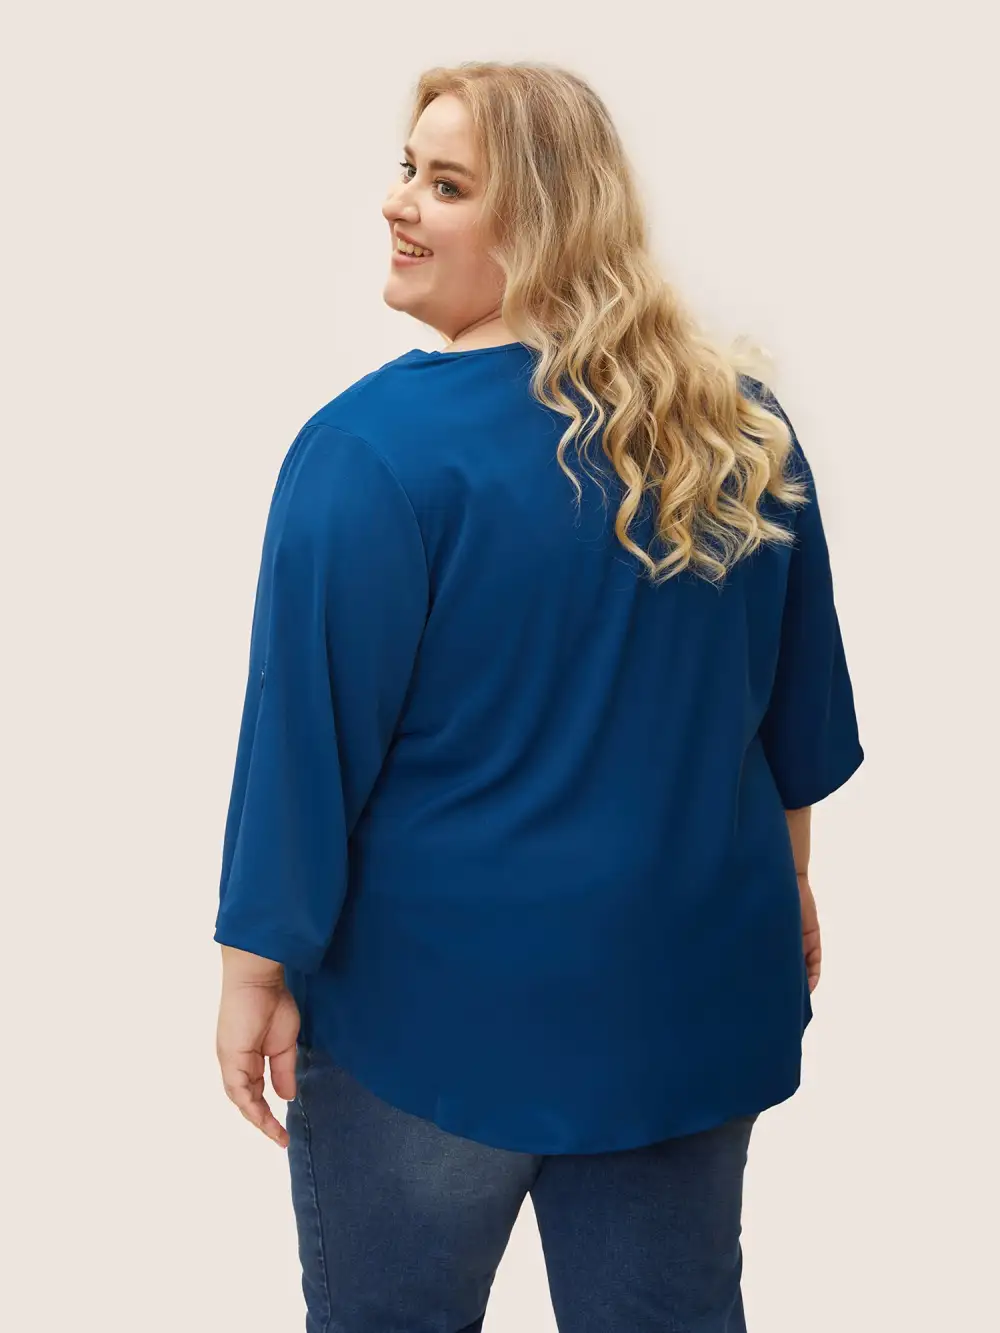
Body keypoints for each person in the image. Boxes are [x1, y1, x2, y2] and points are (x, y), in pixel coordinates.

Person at [213, 60, 864, 1333]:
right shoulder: (733, 431)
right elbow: (788, 723)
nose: (398, 203)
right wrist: (784, 885)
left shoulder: (369, 454)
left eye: (447, 185)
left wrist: (252, 975)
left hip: (431, 1019)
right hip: (680, 1007)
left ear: (544, 218)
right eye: (407, 169)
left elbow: (301, 754)